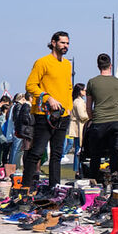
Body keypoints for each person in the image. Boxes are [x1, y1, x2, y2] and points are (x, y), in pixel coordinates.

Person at [21, 30, 74, 189]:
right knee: (36, 151)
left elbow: (69, 88)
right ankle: (26, 187)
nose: (65, 46)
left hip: (63, 115)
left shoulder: (67, 64)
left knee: (57, 154)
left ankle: (55, 187)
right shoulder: (42, 62)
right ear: (53, 42)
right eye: (62, 42)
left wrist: (69, 107)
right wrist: (47, 97)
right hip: (44, 114)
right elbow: (30, 85)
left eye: (67, 43)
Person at [83, 55, 118, 185]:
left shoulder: (92, 82)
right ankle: (115, 176)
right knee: (115, 151)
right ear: (110, 65)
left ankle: (94, 178)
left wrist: (91, 118)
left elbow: (88, 105)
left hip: (99, 121)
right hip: (116, 121)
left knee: (95, 153)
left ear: (98, 66)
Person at [66, 84, 89, 175]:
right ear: (80, 91)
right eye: (84, 90)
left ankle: (78, 169)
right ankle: (78, 170)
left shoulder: (78, 101)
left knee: (78, 149)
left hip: (79, 127)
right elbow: (82, 116)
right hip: (79, 127)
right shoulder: (78, 102)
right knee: (78, 150)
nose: (85, 92)